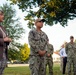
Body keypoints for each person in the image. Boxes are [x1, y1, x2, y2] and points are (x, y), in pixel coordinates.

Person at [0, 10, 12, 75]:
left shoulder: (3, 28)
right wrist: (3, 40)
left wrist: (8, 40)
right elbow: (3, 39)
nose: (3, 16)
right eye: (1, 15)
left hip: (3, 53)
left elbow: (5, 38)